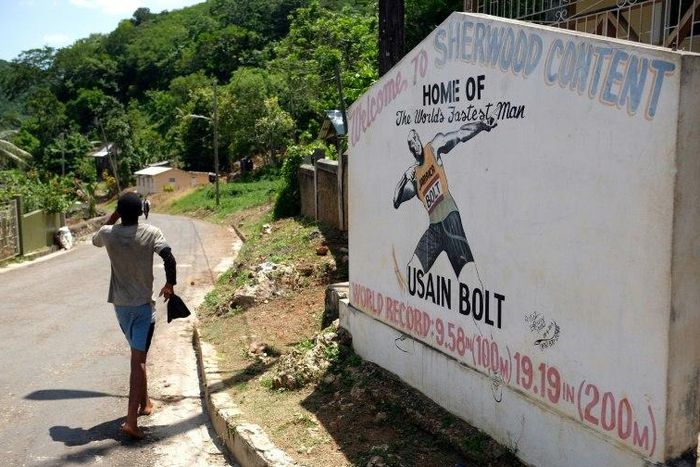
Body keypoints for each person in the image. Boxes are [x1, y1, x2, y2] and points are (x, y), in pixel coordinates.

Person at [92, 192, 177, 439]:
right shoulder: (151, 232)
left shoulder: (109, 234)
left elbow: (97, 239)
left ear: (119, 211)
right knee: (138, 360)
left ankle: (145, 403)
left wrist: (114, 216)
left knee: (137, 353)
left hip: (120, 307)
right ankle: (131, 421)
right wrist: (170, 284)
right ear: (141, 212)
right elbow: (169, 258)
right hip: (142, 307)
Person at [393, 118, 497, 277]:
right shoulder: (414, 177)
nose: (414, 144)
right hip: (434, 229)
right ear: (410, 149)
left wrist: (481, 125)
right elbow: (396, 201)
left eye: (415, 139)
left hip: (450, 221)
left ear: (419, 140)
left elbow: (460, 134)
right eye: (410, 143)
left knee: (469, 279)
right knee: (413, 271)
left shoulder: (433, 148)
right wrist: (403, 177)